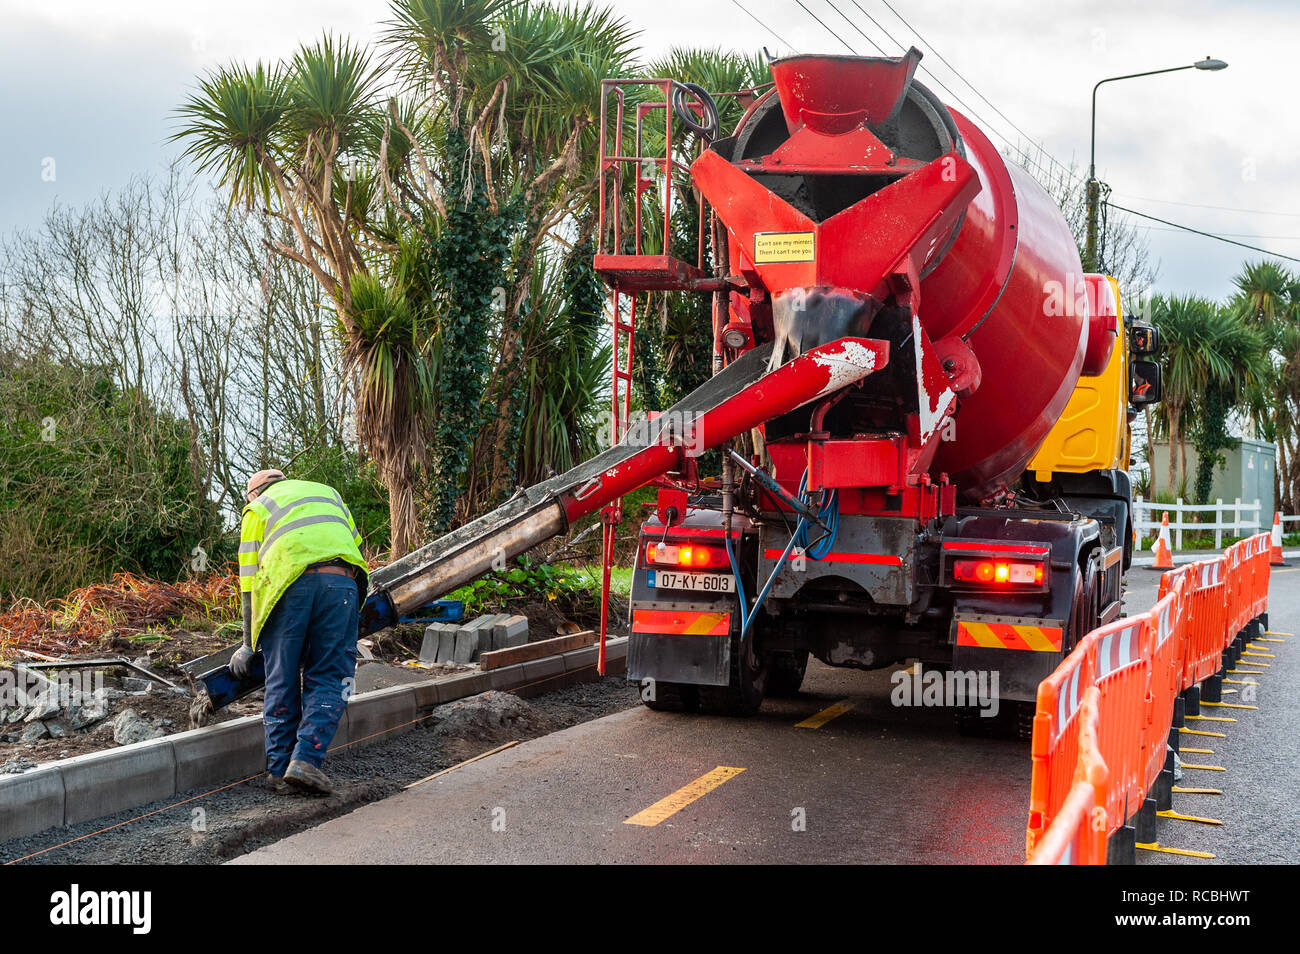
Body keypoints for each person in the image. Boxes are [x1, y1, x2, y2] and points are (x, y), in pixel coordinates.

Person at [230, 469, 369, 795]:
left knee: (282, 676)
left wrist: (249, 645)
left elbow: (248, 583)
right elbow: (354, 546)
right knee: (332, 677)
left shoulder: (258, 508)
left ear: (253, 494)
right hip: (341, 584)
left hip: (287, 591)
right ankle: (305, 760)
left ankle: (279, 772)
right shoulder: (328, 492)